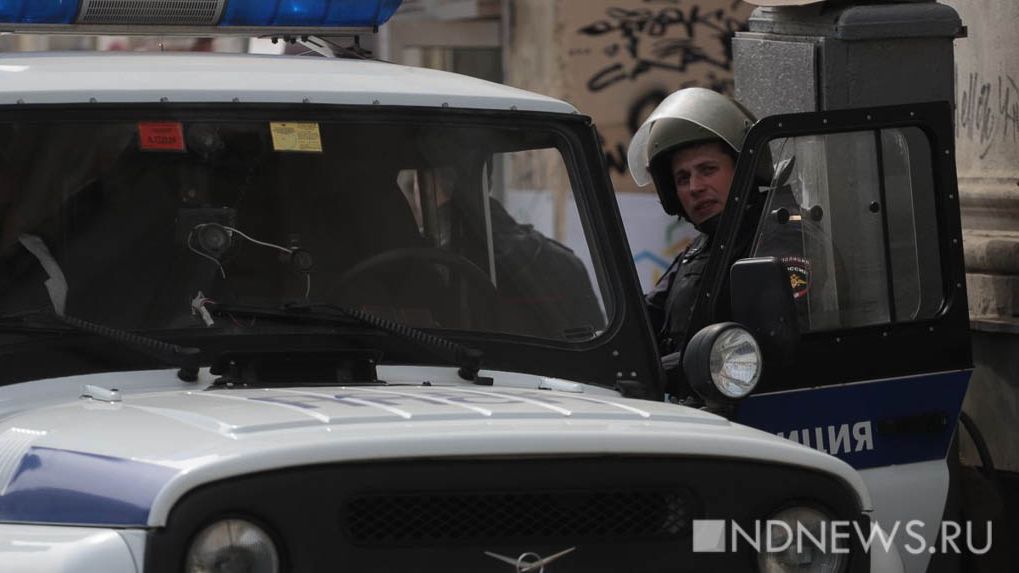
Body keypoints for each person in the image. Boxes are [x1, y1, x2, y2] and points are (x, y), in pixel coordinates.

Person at [627, 87, 762, 389]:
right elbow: (643, 319)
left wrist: (657, 370)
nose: (695, 187)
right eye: (682, 178)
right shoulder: (698, 252)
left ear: (744, 169)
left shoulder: (778, 240)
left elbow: (757, 350)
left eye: (708, 170)